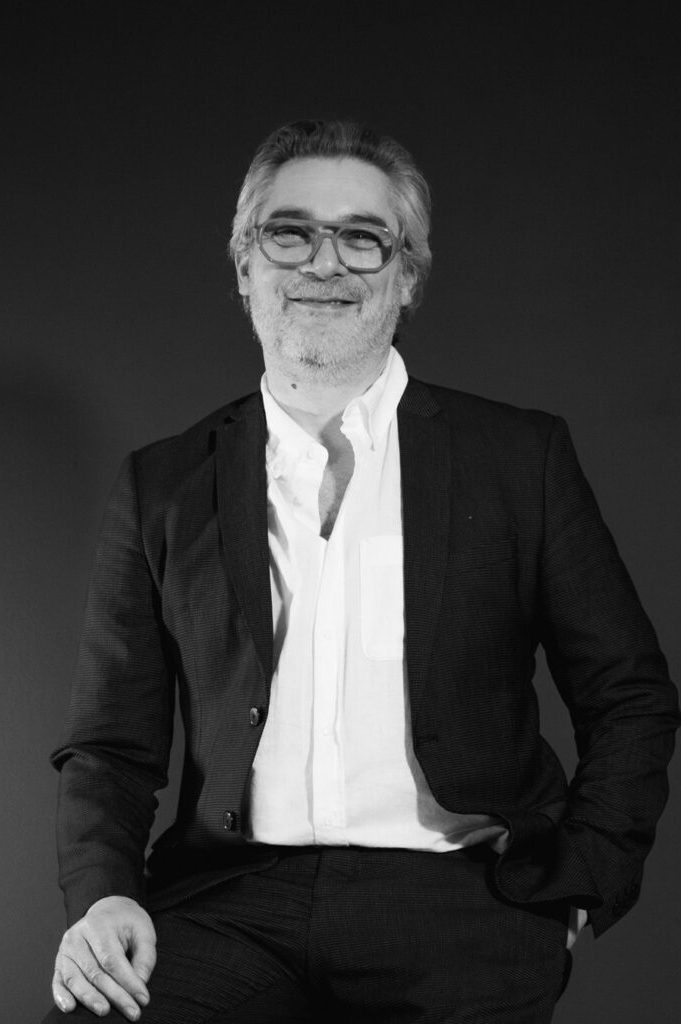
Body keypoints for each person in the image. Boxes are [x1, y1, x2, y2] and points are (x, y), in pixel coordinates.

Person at [44, 120, 679, 1024]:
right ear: (244, 266)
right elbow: (110, 743)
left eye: (361, 237)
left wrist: (584, 878)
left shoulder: (517, 459)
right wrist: (103, 895)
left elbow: (629, 696)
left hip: (461, 900)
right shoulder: (163, 484)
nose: (323, 262)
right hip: (228, 901)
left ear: (406, 275)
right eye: (289, 232)